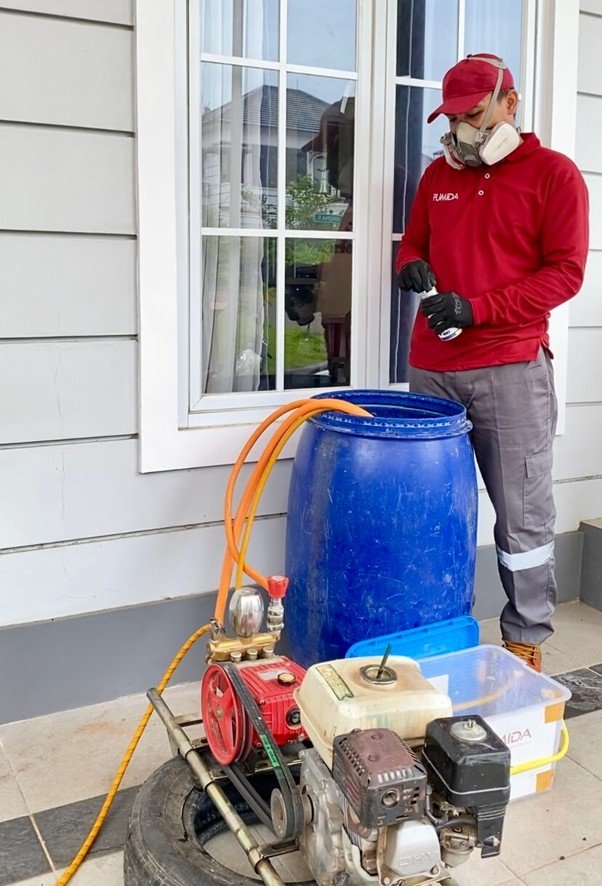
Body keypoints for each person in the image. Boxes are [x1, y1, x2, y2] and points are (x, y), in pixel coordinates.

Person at [396, 53, 589, 672]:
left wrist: (478, 309)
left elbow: (565, 274)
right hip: (433, 369)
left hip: (510, 368)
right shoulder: (438, 176)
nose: (463, 130)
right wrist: (410, 266)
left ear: (511, 103)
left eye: (475, 114)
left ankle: (524, 638)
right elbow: (414, 243)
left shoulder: (554, 176)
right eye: (453, 119)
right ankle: (432, 630)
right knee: (429, 511)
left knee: (522, 516)